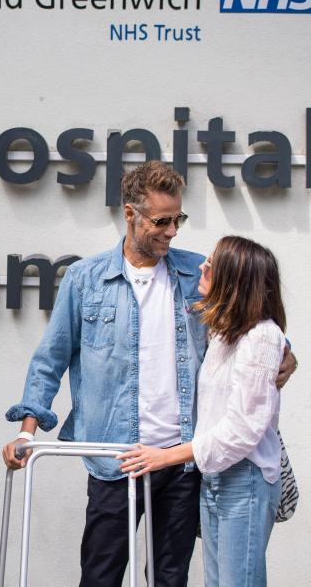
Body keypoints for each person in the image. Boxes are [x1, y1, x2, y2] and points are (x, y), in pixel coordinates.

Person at [1, 160, 297, 587]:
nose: (172, 230)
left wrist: (288, 352)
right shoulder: (86, 279)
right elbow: (51, 359)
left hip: (180, 461)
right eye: (161, 220)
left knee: (170, 577)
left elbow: (252, 318)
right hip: (115, 459)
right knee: (100, 576)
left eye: (178, 219)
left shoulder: (198, 271)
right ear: (130, 214)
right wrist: (28, 433)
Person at [118, 236, 287, 586]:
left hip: (246, 479)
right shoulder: (225, 334)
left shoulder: (262, 337)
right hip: (217, 478)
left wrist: (165, 456)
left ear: (233, 278)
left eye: (210, 264)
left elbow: (242, 430)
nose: (201, 267)